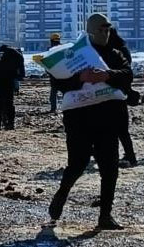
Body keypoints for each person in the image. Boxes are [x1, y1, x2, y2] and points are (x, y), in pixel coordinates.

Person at [48, 14, 131, 230]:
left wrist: (107, 76)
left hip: (107, 118)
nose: (106, 33)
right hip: (79, 119)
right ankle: (61, 194)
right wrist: (80, 79)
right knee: (77, 164)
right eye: (102, 30)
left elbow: (127, 75)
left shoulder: (115, 54)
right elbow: (59, 81)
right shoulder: (74, 55)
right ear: (91, 31)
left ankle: (105, 215)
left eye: (108, 30)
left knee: (110, 167)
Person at [108, 29, 138, 166]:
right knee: (122, 129)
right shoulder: (122, 49)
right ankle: (130, 156)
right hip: (121, 92)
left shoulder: (112, 51)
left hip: (111, 93)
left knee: (111, 128)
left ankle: (116, 157)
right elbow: (127, 71)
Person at [0, 45, 25, 130]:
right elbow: (19, 74)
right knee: (9, 104)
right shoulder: (15, 58)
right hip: (8, 83)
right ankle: (10, 123)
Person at [48, 33, 63, 113]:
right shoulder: (64, 48)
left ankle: (53, 108)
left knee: (53, 92)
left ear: (51, 40)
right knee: (65, 92)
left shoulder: (50, 49)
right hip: (64, 73)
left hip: (54, 74)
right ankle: (66, 107)